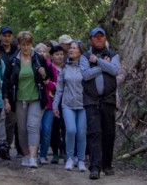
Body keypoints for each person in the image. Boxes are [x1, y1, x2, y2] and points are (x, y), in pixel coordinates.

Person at [5, 31, 48, 168]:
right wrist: (6, 100)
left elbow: (49, 76)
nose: (25, 48)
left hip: (36, 97)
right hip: (19, 99)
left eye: (28, 44)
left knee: (32, 126)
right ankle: (25, 154)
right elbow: (6, 82)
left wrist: (44, 73)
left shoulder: (38, 59)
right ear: (18, 45)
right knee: (22, 129)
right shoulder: (13, 61)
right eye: (23, 45)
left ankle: (33, 157)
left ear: (31, 45)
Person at [81, 27, 120, 179]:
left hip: (108, 99)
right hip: (91, 100)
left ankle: (107, 164)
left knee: (109, 132)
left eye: (101, 37)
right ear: (90, 40)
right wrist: (102, 65)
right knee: (94, 132)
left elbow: (115, 70)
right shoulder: (85, 57)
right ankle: (95, 167)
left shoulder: (113, 55)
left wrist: (97, 61)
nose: (98, 39)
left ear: (105, 39)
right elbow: (85, 75)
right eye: (95, 37)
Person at [55, 40, 88, 172]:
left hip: (83, 105)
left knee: (81, 133)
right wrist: (55, 105)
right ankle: (69, 158)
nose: (71, 50)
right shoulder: (64, 67)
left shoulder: (85, 67)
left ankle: (80, 160)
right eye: (70, 48)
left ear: (80, 51)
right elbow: (59, 88)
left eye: (74, 48)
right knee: (70, 130)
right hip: (67, 105)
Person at [37, 44, 63, 164]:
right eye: (39, 51)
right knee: (39, 129)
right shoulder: (32, 65)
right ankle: (34, 151)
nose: (42, 53)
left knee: (47, 129)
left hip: (49, 102)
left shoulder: (50, 67)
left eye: (44, 51)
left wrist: (47, 82)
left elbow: (56, 85)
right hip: (36, 101)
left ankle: (43, 154)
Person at [0, 26, 19, 159]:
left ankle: (7, 145)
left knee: (11, 121)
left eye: (9, 36)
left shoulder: (16, 51)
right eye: (4, 35)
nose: (6, 38)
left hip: (13, 89)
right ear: (0, 36)